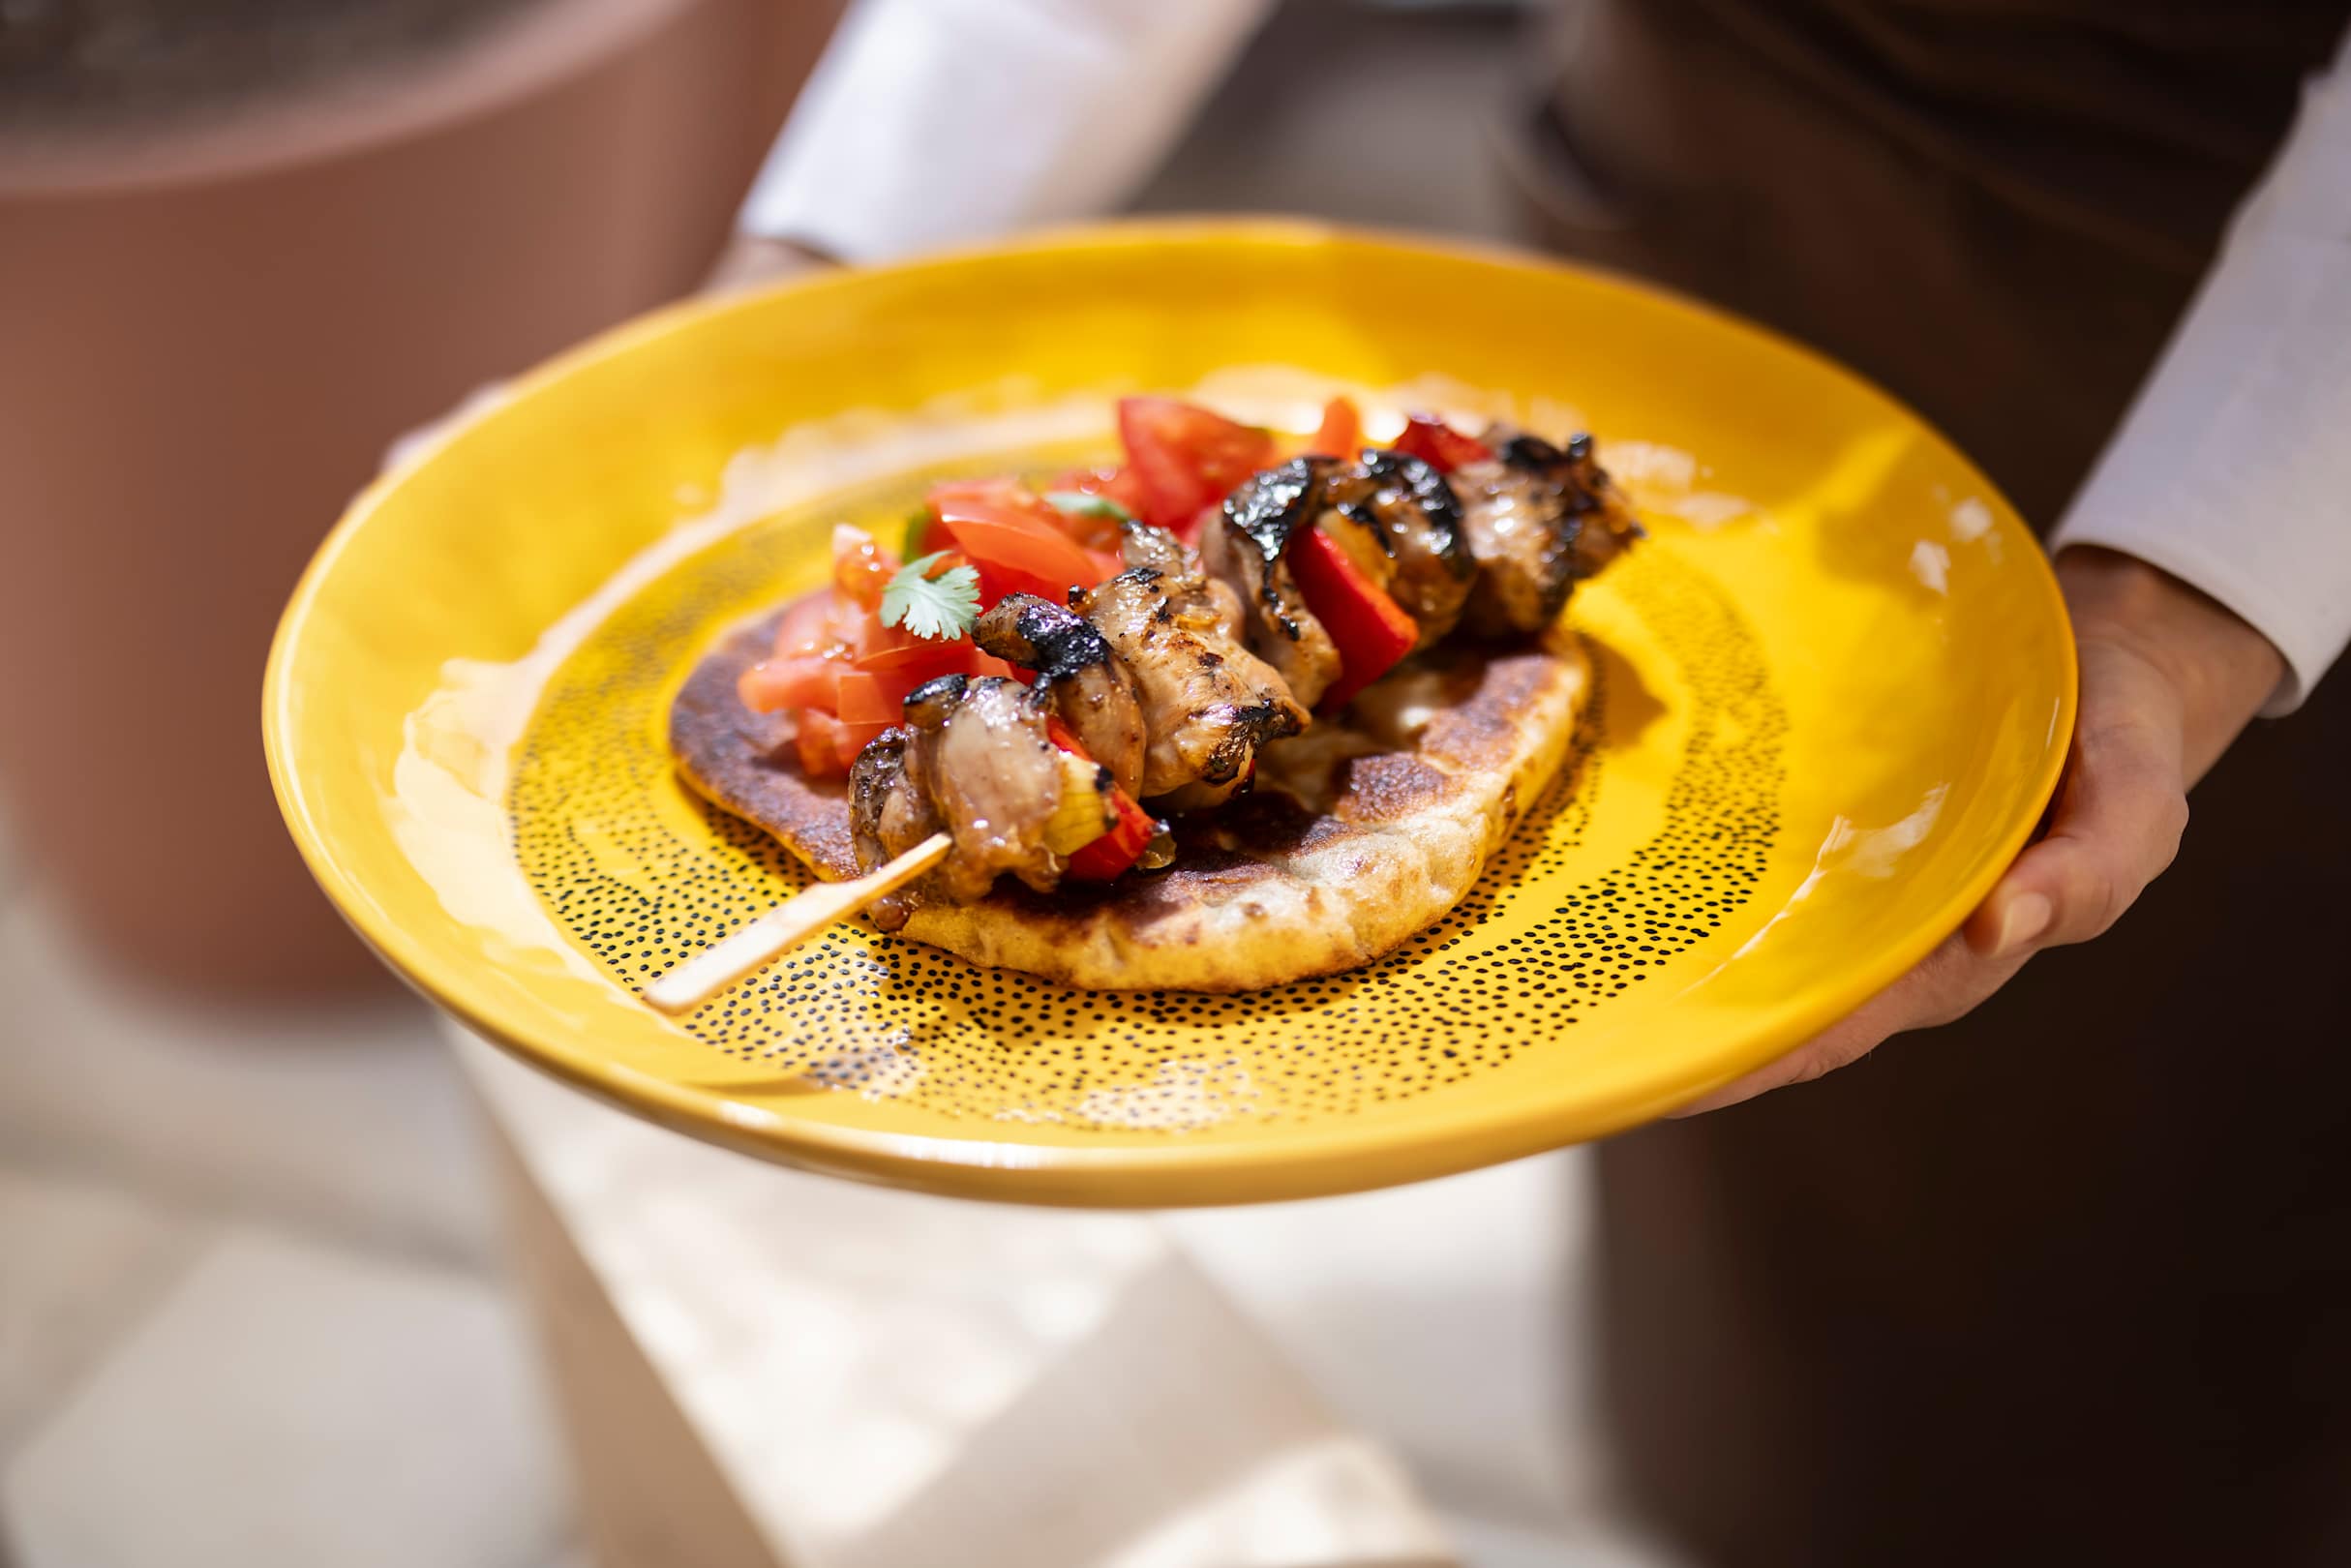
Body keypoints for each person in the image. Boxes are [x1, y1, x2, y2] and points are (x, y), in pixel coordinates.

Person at [709, 1, 2351, 1561]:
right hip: (1701, 168)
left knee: (2115, 1285)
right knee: (1764, 1300)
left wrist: (2194, 584)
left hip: (2212, 336)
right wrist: (829, 257)